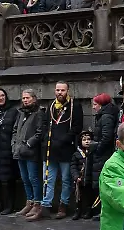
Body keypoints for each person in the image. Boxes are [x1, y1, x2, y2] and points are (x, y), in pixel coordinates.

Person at [31, 82, 84, 221]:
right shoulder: (51, 106)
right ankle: (46, 206)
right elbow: (45, 124)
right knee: (47, 179)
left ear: (68, 91)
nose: (60, 92)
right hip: (49, 150)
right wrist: (45, 138)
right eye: (57, 90)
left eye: (62, 90)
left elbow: (77, 127)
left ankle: (63, 205)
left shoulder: (74, 106)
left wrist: (63, 140)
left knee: (66, 179)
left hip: (65, 149)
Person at [80, 93, 119, 220]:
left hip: (103, 154)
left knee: (103, 182)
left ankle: (104, 210)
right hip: (100, 153)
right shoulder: (103, 116)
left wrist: (97, 148)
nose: (93, 107)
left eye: (95, 104)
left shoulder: (106, 117)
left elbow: (106, 137)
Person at [13, 89, 46, 217]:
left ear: (34, 98)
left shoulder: (39, 113)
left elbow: (40, 132)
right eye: (23, 98)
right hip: (19, 150)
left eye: (27, 98)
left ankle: (37, 203)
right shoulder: (21, 113)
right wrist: (14, 144)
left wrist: (28, 143)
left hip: (31, 152)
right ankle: (29, 201)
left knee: (33, 178)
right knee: (25, 178)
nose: (25, 100)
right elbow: (15, 129)